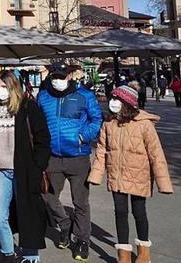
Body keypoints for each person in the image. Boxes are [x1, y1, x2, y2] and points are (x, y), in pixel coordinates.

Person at [88, 85, 172, 263]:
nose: (113, 102)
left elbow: (156, 154)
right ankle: (124, 254)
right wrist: (96, 175)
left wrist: (163, 183)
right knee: (120, 211)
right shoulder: (109, 124)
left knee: (139, 212)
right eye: (112, 98)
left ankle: (143, 252)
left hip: (138, 175)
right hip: (116, 174)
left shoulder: (144, 125)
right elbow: (102, 150)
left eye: (117, 99)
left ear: (127, 103)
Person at [0, 70, 51, 263]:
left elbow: (43, 140)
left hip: (25, 171)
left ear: (14, 88)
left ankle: (30, 256)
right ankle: (8, 253)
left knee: (28, 213)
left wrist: (37, 167)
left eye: (5, 87)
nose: (0, 91)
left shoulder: (29, 109)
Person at [37, 62, 103, 261]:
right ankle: (65, 223)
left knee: (80, 202)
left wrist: (83, 136)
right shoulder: (43, 96)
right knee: (46, 195)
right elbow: (37, 122)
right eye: (55, 76)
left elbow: (97, 119)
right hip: (52, 158)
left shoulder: (84, 96)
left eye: (62, 76)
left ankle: (82, 241)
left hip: (78, 157)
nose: (58, 80)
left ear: (70, 76)